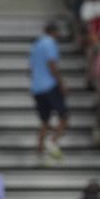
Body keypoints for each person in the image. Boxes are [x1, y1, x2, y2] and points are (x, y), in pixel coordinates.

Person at [30, 22, 69, 159]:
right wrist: (61, 84)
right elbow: (52, 65)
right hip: (50, 86)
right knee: (64, 116)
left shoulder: (35, 45)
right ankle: (52, 142)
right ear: (54, 32)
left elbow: (31, 68)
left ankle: (40, 150)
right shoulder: (50, 43)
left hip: (37, 89)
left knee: (45, 121)